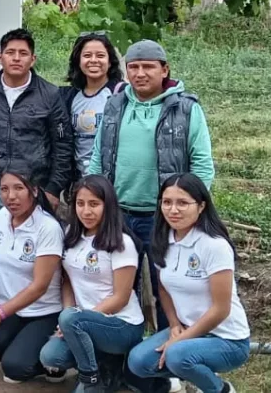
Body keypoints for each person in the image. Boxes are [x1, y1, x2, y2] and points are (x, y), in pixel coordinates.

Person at [86, 39, 215, 331]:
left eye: (148, 67)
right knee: (118, 288)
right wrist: (95, 198)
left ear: (164, 70)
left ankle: (171, 357)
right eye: (133, 67)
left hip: (165, 217)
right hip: (118, 214)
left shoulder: (185, 110)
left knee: (166, 287)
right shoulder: (115, 105)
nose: (140, 73)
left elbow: (203, 166)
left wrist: (187, 211)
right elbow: (98, 156)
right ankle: (121, 359)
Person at [127, 175, 249, 393]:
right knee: (138, 361)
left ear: (201, 206)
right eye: (167, 202)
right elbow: (163, 288)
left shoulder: (214, 245)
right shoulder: (164, 239)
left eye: (182, 203)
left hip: (228, 339)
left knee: (176, 355)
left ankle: (219, 389)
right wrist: (174, 325)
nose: (173, 210)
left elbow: (221, 309)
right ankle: (192, 367)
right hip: (186, 329)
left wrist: (181, 340)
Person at [39, 175, 144, 393]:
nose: (86, 211)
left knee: (70, 321)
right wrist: (69, 315)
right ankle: (106, 366)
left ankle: (90, 378)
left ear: (108, 205)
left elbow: (121, 297)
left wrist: (77, 320)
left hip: (122, 324)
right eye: (80, 203)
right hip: (82, 322)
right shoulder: (70, 235)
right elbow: (66, 280)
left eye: (94, 204)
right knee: (50, 356)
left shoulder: (121, 243)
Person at [0, 28, 74, 217]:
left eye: (23, 53)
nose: (16, 58)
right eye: (10, 53)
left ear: (32, 59)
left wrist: (53, 188)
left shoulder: (49, 94)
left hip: (35, 187)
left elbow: (62, 145)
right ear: (0, 57)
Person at [0, 169, 65, 385]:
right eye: (4, 189)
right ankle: (25, 348)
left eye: (18, 188)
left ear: (33, 190)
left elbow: (40, 286)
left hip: (44, 312)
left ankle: (53, 364)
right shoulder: (5, 216)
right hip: (14, 309)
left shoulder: (48, 227)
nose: (10, 196)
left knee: (15, 367)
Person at [61, 33, 124, 177]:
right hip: (80, 181)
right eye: (87, 55)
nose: (93, 60)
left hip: (112, 180)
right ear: (78, 60)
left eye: (100, 56)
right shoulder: (68, 96)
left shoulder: (122, 94)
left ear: (110, 61)